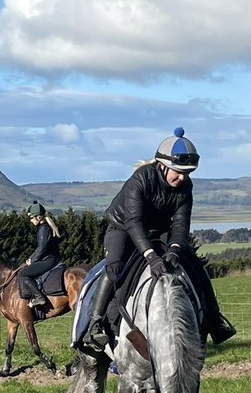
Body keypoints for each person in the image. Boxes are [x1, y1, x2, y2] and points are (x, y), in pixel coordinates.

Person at [82, 128, 234, 351]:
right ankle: (95, 324)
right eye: (177, 172)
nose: (181, 177)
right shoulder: (141, 179)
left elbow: (181, 223)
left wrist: (174, 249)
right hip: (123, 227)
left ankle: (214, 318)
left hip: (159, 229)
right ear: (162, 165)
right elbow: (134, 223)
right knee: (114, 265)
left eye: (187, 173)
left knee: (192, 261)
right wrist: (151, 257)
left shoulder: (185, 187)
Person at [17, 201, 61, 308]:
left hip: (49, 260)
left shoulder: (44, 229)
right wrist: (31, 258)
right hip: (48, 258)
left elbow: (42, 248)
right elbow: (40, 248)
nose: (30, 220)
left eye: (32, 217)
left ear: (39, 217)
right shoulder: (43, 227)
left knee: (22, 274)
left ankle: (39, 297)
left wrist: (33, 260)